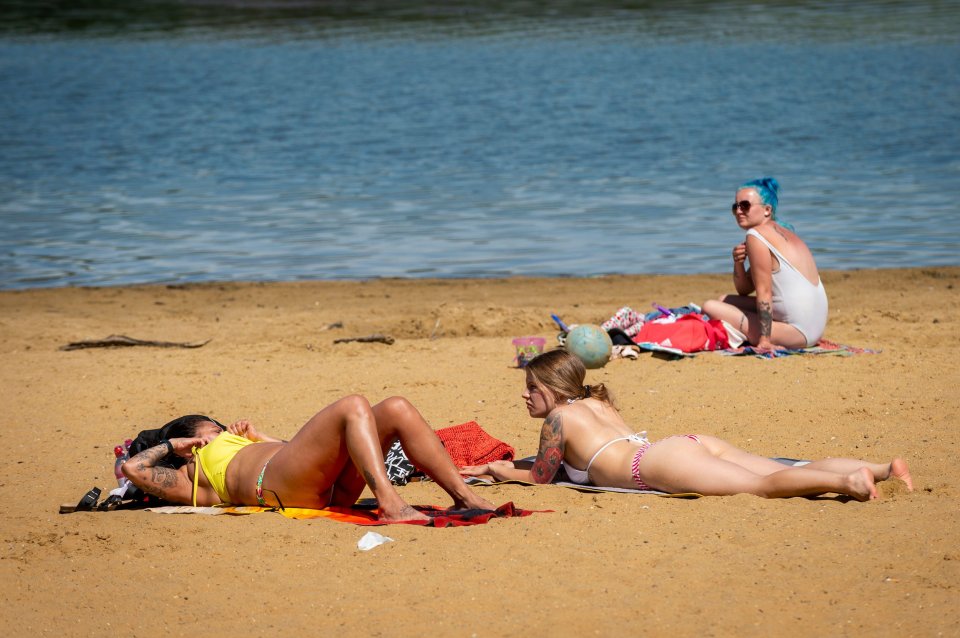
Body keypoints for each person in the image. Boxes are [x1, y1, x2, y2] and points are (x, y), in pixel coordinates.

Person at [460, 350, 912, 501]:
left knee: (764, 486)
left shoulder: (558, 418)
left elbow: (541, 476)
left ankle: (849, 481)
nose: (525, 396)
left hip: (653, 464)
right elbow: (559, 464)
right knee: (772, 468)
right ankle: (879, 467)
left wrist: (498, 470)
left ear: (553, 390)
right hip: (680, 445)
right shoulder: (593, 401)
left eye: (531, 387)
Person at [121, 395, 494, 522]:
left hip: (316, 484)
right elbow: (133, 469)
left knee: (395, 407)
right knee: (352, 406)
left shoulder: (237, 444)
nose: (216, 433)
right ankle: (389, 502)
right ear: (188, 437)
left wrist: (260, 437)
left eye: (217, 429)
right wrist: (176, 446)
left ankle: (465, 497)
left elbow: (315, 454)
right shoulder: (190, 477)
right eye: (209, 431)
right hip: (278, 486)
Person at [702, 177, 828, 352]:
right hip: (814, 326)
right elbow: (744, 290)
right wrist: (738, 263)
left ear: (767, 210)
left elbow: (764, 292)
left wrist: (764, 340)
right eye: (735, 207)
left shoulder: (756, 235)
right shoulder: (781, 231)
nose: (739, 211)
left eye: (745, 205)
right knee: (724, 300)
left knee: (710, 306)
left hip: (798, 332)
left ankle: (763, 334)